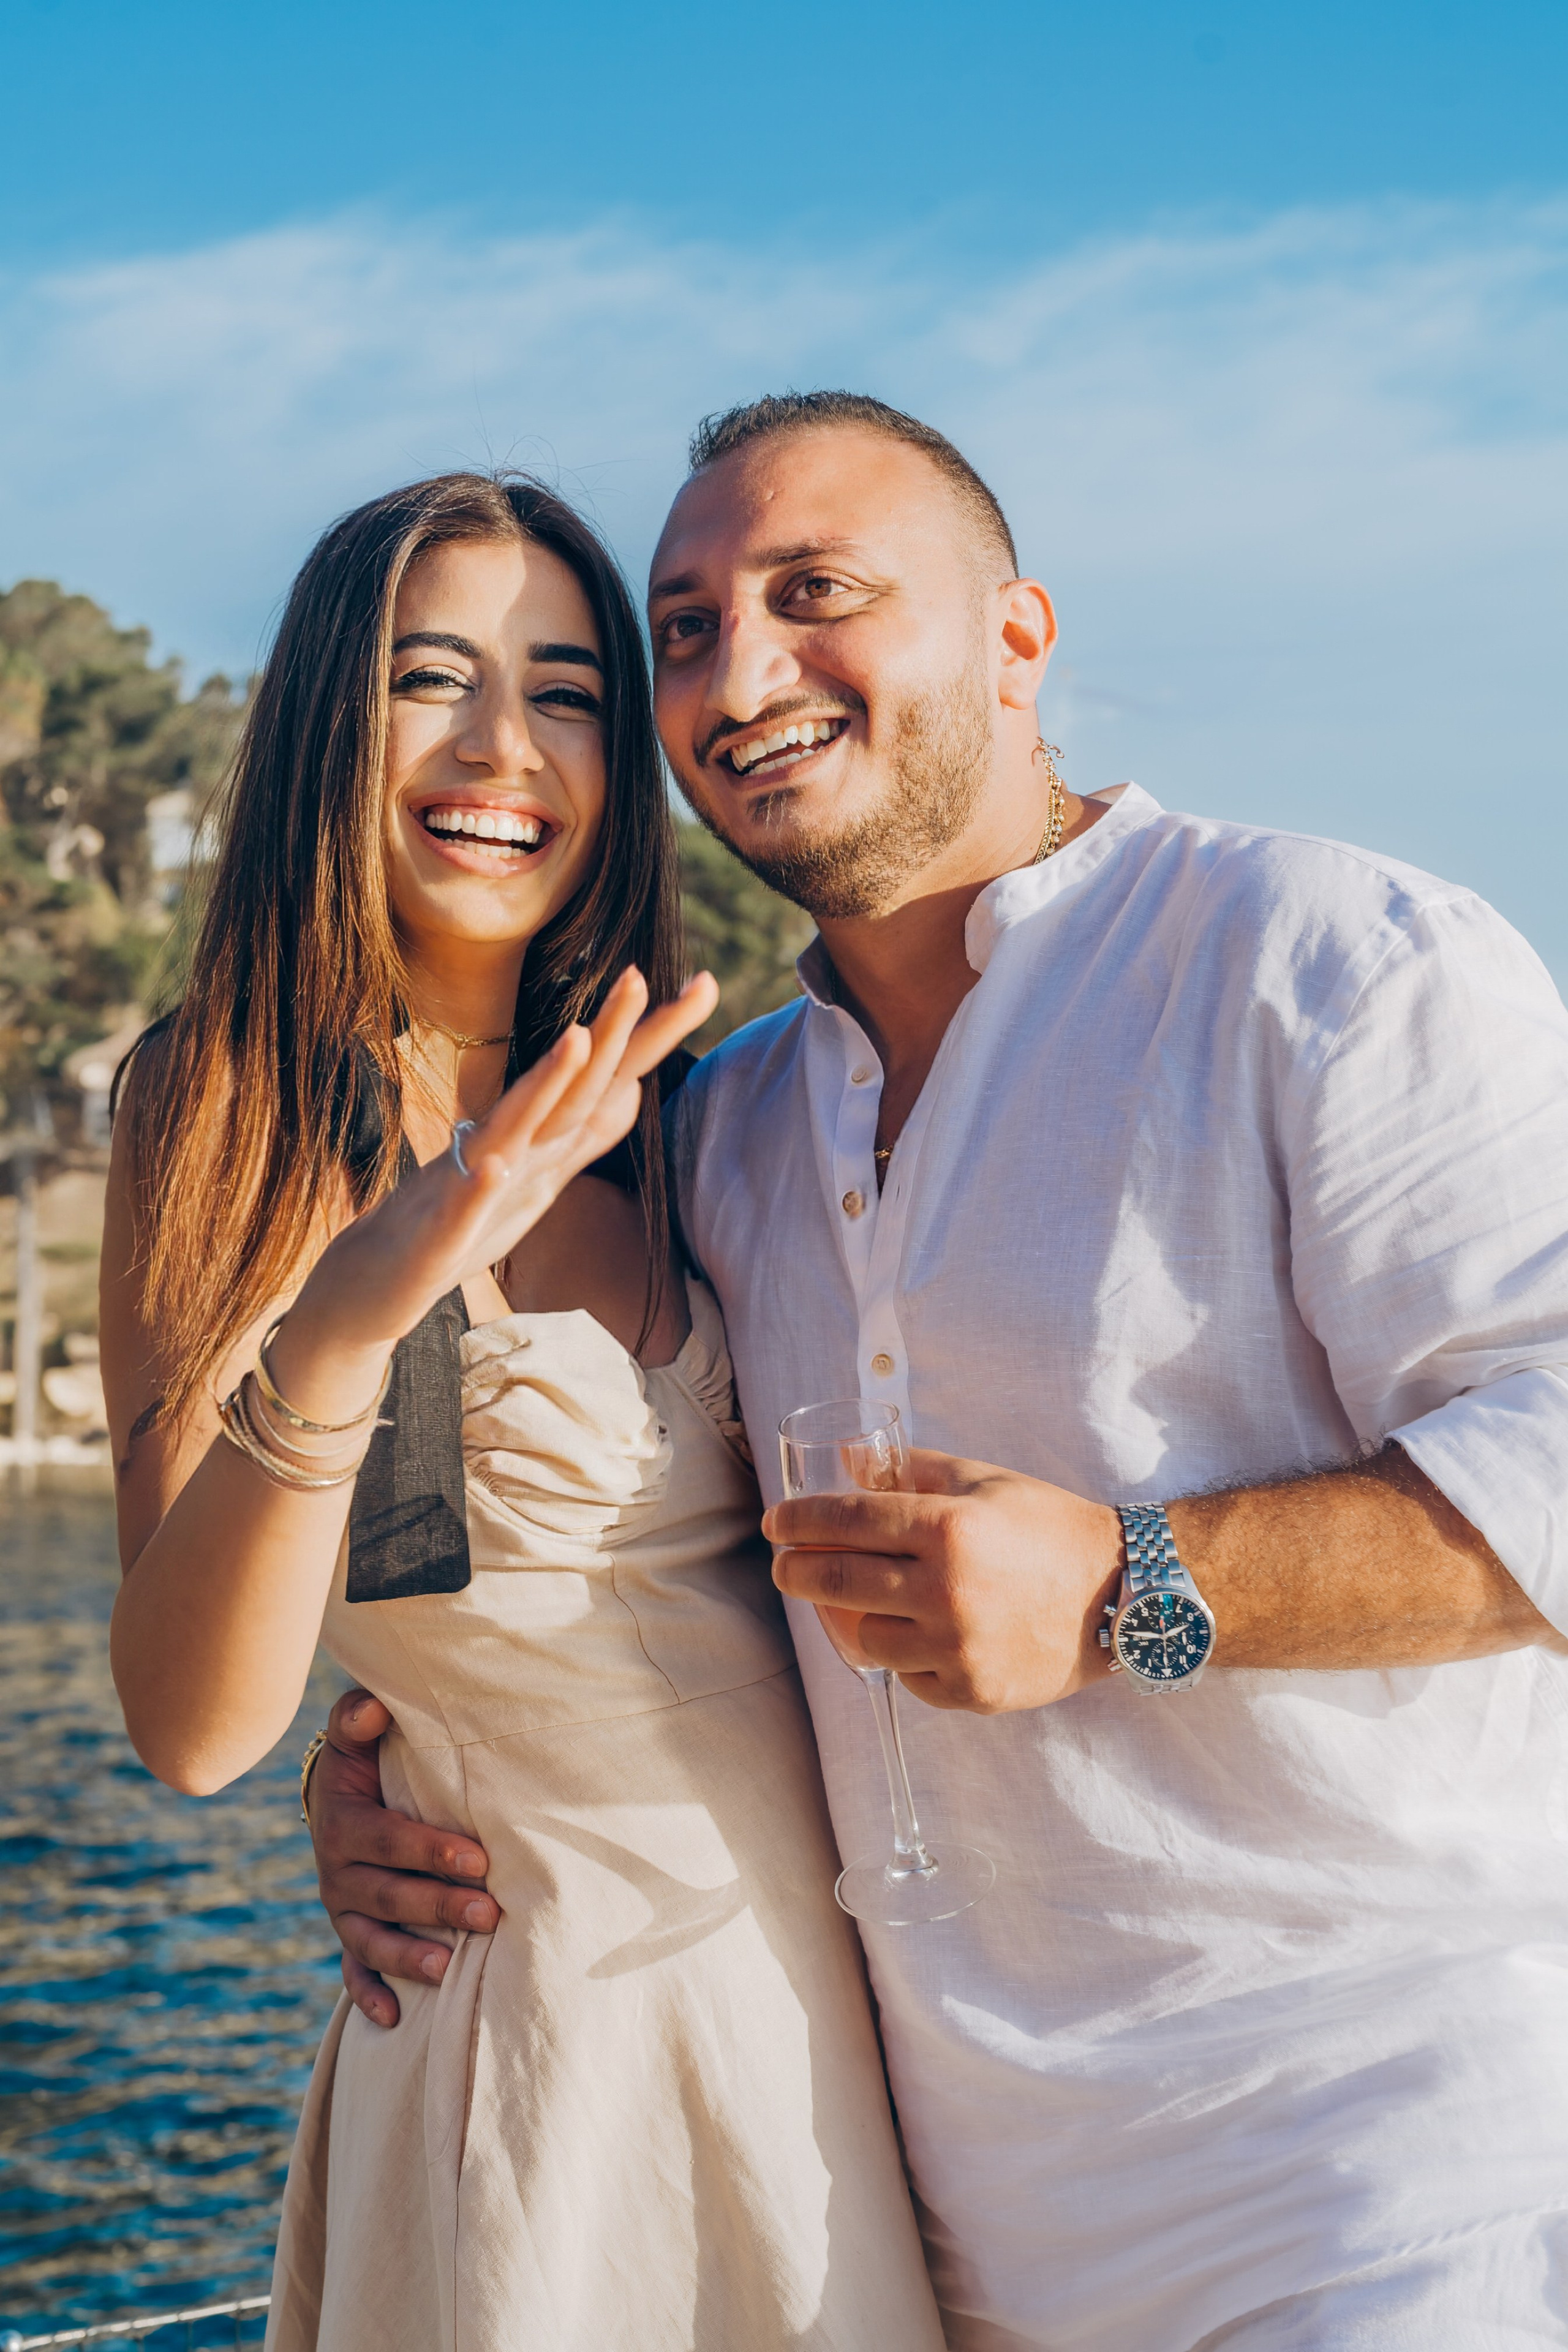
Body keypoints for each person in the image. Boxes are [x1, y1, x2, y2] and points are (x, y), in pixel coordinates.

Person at [313, 394, 1568, 2350]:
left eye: (818, 593)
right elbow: (594, 1560)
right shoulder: (709, 1128)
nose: (745, 671)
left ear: (1015, 636)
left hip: (1378, 2185)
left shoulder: (1325, 956)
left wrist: (1134, 1584)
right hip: (909, 2239)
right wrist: (387, 1760)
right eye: (690, 628)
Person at [101, 470, 947, 2352]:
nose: (505, 747)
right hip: (554, 2077)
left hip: (834, 2065)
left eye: (568, 690)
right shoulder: (231, 1108)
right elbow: (191, 1725)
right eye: (433, 678)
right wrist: (360, 1310)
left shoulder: (686, 1106)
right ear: (336, 713)